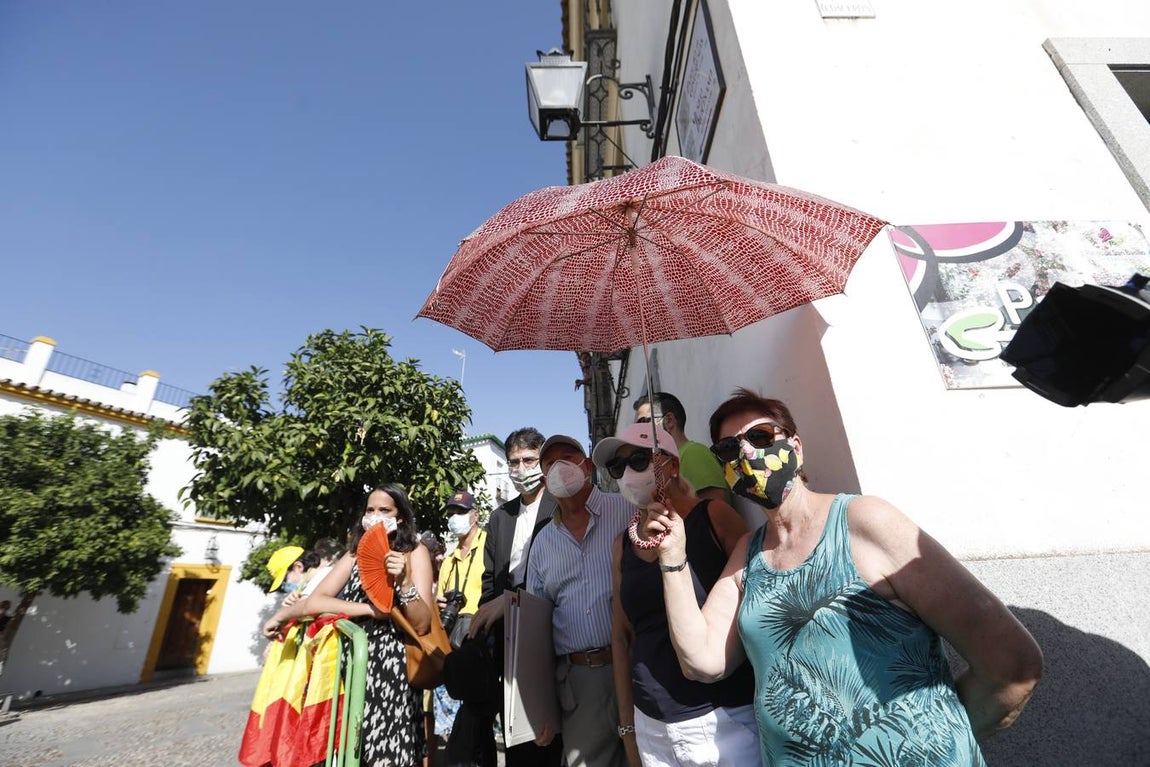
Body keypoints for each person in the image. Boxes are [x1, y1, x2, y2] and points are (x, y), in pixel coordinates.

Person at [645, 389, 1044, 765]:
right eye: (730, 448)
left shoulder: (865, 522)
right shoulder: (746, 556)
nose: (747, 452)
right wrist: (673, 558)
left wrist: (935, 742)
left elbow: (1011, 663)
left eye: (762, 435)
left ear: (795, 448)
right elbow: (703, 660)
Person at [593, 422, 759, 767]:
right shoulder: (622, 545)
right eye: (617, 466)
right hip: (652, 724)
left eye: (638, 459)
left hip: (724, 719)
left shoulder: (714, 517)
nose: (627, 472)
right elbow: (622, 638)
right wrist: (628, 729)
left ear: (672, 464)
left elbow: (758, 605)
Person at [263, 483, 434, 767]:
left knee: (389, 755)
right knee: (348, 750)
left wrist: (404, 583)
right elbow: (317, 601)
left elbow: (423, 622)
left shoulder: (414, 553)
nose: (375, 516)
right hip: (350, 665)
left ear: (400, 516)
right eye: (370, 510)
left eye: (384, 510)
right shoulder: (354, 554)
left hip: (393, 669)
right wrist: (369, 609)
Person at [527, 434, 635, 767]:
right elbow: (536, 629)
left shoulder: (626, 510)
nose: (560, 467)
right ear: (544, 479)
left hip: (635, 665)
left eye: (568, 457)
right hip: (578, 681)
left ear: (587, 465)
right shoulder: (543, 543)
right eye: (550, 463)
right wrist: (536, 706)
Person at [468, 427, 562, 767]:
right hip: (509, 643)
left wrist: (511, 602)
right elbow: (491, 580)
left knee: (553, 735)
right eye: (513, 462)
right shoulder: (500, 517)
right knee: (518, 738)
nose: (521, 469)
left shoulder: (560, 507)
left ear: (542, 461)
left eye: (528, 460)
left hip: (554, 633)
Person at [634, 392, 731, 505]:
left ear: (669, 420)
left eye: (643, 422)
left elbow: (715, 511)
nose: (639, 431)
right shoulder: (669, 462)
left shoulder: (693, 453)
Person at [438, 490, 486, 646]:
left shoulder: (490, 545)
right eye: (451, 514)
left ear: (475, 515)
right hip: (453, 635)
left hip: (483, 634)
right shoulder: (449, 562)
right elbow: (440, 599)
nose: (455, 518)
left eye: (461, 512)